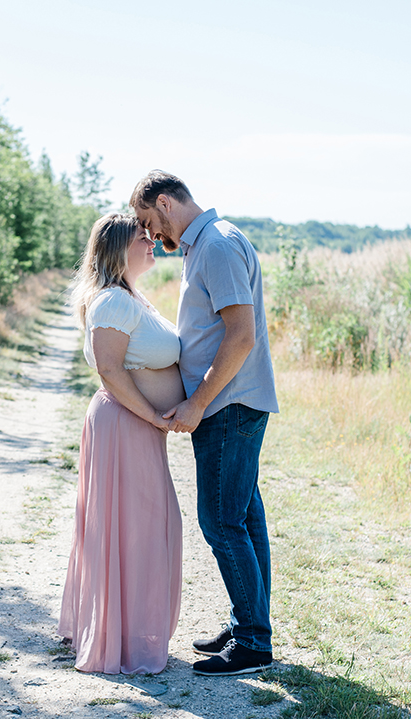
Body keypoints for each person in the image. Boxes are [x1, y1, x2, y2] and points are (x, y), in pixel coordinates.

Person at [130, 170, 279, 676]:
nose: (153, 237)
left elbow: (241, 336)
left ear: (167, 203)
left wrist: (197, 404)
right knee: (244, 515)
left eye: (151, 223)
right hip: (230, 402)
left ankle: (254, 643)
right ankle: (249, 624)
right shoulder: (208, 245)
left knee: (221, 520)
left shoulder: (215, 245)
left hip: (227, 404)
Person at [58, 212, 184, 674]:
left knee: (145, 528)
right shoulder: (111, 301)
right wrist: (152, 414)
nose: (152, 242)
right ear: (116, 248)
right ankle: (121, 639)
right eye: (142, 237)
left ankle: (128, 631)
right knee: (136, 529)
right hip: (126, 425)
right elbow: (110, 371)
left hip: (137, 428)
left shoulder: (131, 297)